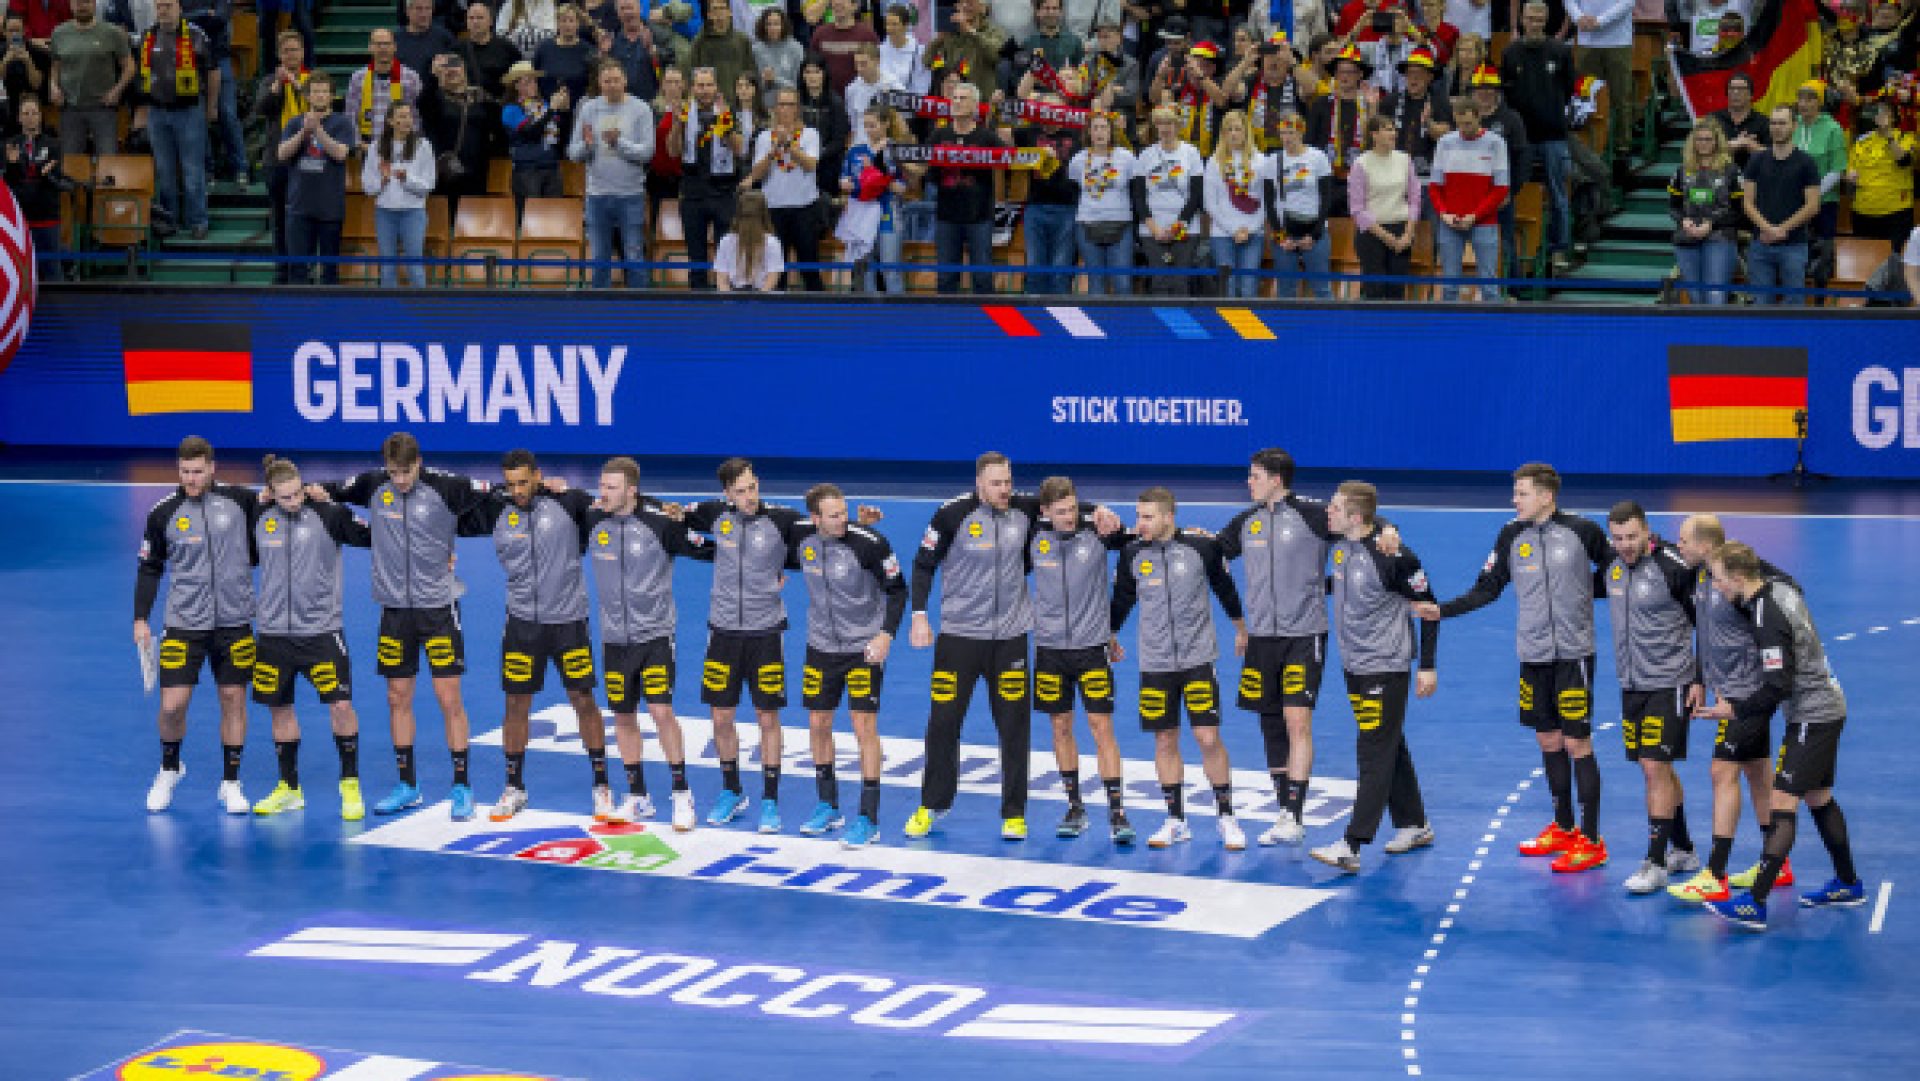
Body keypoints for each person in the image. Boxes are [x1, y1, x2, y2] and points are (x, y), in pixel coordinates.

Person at [903, 452, 1118, 841]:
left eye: (1008, 481)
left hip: (1011, 639)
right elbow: (923, 564)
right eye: (997, 483)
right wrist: (919, 614)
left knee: (1014, 727)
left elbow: (1062, 508)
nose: (1005, 490)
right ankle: (932, 804)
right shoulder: (951, 514)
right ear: (979, 483)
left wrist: (1099, 510)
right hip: (959, 638)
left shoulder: (1022, 508)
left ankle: (1014, 812)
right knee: (943, 722)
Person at [1413, 462, 1615, 874]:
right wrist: (1442, 611)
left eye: (1522, 493)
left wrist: (1582, 593)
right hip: (1532, 653)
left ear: (1546, 496)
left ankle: (1591, 841)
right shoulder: (1510, 535)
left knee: (1577, 743)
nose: (1514, 500)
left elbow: (1617, 569)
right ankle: (1563, 828)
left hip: (1573, 653)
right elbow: (1487, 588)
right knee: (1548, 740)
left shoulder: (1582, 531)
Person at [307, 433, 492, 822]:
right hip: (394, 612)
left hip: (438, 609)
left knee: (448, 699)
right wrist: (302, 492)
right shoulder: (374, 485)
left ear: (419, 463)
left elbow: (498, 494)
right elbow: (326, 490)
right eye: (394, 473)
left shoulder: (446, 487)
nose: (401, 480)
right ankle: (408, 785)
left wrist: (547, 488)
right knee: (396, 697)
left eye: (406, 472)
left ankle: (462, 786)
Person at [1700, 542, 1866, 931]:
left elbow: (1777, 686)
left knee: (1782, 803)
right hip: (1826, 708)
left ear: (1740, 578)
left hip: (1812, 715)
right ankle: (1847, 883)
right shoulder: (1779, 586)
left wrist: (1735, 709)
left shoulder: (1766, 615)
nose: (1719, 589)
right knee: (1819, 798)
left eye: (1721, 581)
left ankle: (1754, 902)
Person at [467, 449, 612, 822]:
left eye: (523, 482)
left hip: (568, 621)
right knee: (516, 705)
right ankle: (514, 786)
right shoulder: (496, 508)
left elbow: (613, 507)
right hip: (521, 624)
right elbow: (443, 516)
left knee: (583, 699)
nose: (517, 490)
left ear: (537, 476)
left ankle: (602, 786)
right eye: (511, 484)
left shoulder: (568, 502)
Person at [1308, 481, 1438, 873]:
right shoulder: (1343, 545)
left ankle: (1353, 843)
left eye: (1334, 507)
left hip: (1387, 666)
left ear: (1355, 516)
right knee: (1389, 743)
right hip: (1355, 667)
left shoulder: (1395, 557)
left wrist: (1427, 665)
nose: (1327, 513)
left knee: (1373, 751)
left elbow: (1428, 607)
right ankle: (1414, 823)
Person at [678, 458, 814, 830]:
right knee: (721, 716)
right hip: (722, 632)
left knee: (767, 717)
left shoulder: (783, 519)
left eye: (753, 487)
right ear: (727, 494)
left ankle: (770, 800)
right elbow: (672, 516)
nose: (750, 496)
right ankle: (732, 790)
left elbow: (820, 535)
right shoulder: (713, 515)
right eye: (741, 491)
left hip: (766, 631)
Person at [1111, 487, 1248, 852]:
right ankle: (1176, 819)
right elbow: (1122, 598)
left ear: (1169, 516)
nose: (1140, 524)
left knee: (1207, 738)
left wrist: (1240, 628)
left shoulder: (1201, 548)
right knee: (1165, 739)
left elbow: (1225, 588)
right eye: (1138, 516)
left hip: (1198, 659)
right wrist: (1109, 634)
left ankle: (1226, 816)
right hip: (1155, 663)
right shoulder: (1131, 554)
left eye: (1148, 517)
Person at [136, 436, 261, 816]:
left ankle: (231, 782)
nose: (191, 479)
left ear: (212, 468)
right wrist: (140, 618)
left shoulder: (242, 502)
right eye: (185, 472)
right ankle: (170, 768)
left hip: (234, 621)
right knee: (173, 706)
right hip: (184, 623)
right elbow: (150, 566)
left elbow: (272, 531)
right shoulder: (163, 513)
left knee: (233, 700)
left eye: (198, 471)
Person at [1666, 514, 1787, 902]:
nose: (1678, 545)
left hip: (1746, 696)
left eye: (1684, 540)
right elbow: (1706, 636)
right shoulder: (1703, 577)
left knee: (1722, 772)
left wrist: (1742, 696)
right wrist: (1701, 679)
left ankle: (1715, 874)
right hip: (1727, 690)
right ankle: (1777, 862)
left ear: (1706, 545)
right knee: (1756, 772)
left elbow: (1776, 604)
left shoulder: (1738, 584)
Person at [587, 456, 711, 830]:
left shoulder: (661, 523)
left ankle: (681, 794)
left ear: (632, 491)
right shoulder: (593, 519)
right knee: (623, 716)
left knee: (660, 712)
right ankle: (638, 796)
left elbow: (709, 548)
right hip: (613, 639)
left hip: (655, 635)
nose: (602, 494)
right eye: (601, 486)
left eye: (610, 488)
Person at [247, 457, 373, 820]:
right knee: (280, 709)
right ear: (270, 493)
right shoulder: (258, 517)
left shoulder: (327, 515)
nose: (293, 502)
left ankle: (350, 784)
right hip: (273, 634)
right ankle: (289, 788)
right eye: (284, 497)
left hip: (321, 631)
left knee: (342, 707)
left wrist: (335, 503)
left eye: (297, 493)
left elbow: (377, 538)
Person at [791, 482, 907, 848]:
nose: (842, 520)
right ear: (815, 519)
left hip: (863, 648)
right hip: (821, 647)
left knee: (863, 726)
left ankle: (867, 818)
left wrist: (885, 635)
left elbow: (898, 589)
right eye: (833, 515)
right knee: (818, 722)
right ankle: (827, 804)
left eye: (844, 512)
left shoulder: (870, 544)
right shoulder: (801, 540)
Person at [1602, 501, 1704, 895]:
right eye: (1618, 538)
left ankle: (1656, 862)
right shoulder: (1612, 566)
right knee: (1656, 767)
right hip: (1631, 684)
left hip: (1670, 681)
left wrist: (1699, 678)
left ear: (1647, 531)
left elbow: (1707, 625)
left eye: (1632, 537)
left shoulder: (1674, 568)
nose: (1625, 545)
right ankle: (1684, 849)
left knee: (1653, 765)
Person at [1028, 475, 1135, 843]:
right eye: (1061, 512)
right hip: (1050, 649)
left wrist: (1100, 513)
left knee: (1101, 727)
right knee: (1060, 727)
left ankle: (1117, 812)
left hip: (1092, 648)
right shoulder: (1032, 534)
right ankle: (1075, 806)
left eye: (1074, 508)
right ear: (1045, 512)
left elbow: (1130, 539)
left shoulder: (1097, 528)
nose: (1070, 517)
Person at [1499, 2, 1574, 269]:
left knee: (1558, 193)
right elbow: (1505, 95)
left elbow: (1567, 91)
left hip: (1553, 134)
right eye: (1530, 18)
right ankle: (1517, 252)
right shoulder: (1510, 53)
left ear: (1546, 20)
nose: (1535, 23)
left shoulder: (1561, 51)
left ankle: (1559, 249)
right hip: (1522, 139)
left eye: (1540, 19)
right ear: (1521, 18)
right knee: (1516, 193)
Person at [570, 57, 656, 287]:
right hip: (597, 195)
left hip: (631, 194)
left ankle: (640, 309)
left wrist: (620, 143)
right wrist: (587, 146)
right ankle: (599, 309)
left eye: (616, 80)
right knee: (599, 256)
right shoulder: (588, 108)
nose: (612, 85)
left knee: (634, 254)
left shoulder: (641, 109)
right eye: (607, 81)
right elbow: (573, 152)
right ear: (599, 82)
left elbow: (647, 152)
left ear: (625, 81)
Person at [138, 0, 219, 240]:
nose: (163, 10)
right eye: (159, 6)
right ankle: (169, 220)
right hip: (156, 112)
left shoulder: (196, 35)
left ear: (179, 8)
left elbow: (213, 72)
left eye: (168, 5)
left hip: (189, 111)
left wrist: (212, 106)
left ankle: (198, 221)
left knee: (193, 170)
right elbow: (142, 77)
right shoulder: (147, 36)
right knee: (164, 171)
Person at [669, 65, 747, 288]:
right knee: (696, 255)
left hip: (723, 192)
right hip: (693, 192)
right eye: (700, 85)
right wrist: (676, 124)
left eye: (709, 85)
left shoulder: (729, 112)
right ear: (692, 88)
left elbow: (740, 148)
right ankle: (697, 301)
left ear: (716, 87)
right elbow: (673, 151)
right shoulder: (684, 113)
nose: (704, 90)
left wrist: (725, 123)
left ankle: (726, 300)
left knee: (726, 254)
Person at [277, 68, 355, 284]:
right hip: (299, 207)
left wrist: (318, 130)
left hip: (330, 208)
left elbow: (340, 154)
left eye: (324, 92)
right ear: (308, 96)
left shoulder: (343, 123)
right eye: (316, 91)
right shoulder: (294, 122)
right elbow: (282, 154)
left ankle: (328, 314)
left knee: (330, 271)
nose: (320, 95)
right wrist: (304, 131)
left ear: (331, 96)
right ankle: (298, 313)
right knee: (298, 269)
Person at [1427, 95, 1506, 301]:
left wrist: (1475, 215)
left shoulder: (1496, 143)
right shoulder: (1445, 143)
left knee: (1489, 284)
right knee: (1450, 284)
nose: (1464, 128)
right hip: (1450, 221)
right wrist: (1444, 213)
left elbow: (1501, 188)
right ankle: (1449, 330)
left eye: (1468, 123)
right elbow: (1435, 186)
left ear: (1479, 117)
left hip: (1484, 221)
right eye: (1460, 124)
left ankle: (1492, 331)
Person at [928, 81, 1003, 293]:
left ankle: (987, 323)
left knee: (982, 277)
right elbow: (929, 173)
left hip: (979, 216)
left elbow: (1010, 159)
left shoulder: (986, 137)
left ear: (975, 106)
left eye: (963, 98)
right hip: (946, 216)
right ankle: (946, 323)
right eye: (955, 98)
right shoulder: (938, 136)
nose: (957, 102)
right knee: (945, 278)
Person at [1741, 105, 1819, 305]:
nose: (1777, 127)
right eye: (1773, 123)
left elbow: (1813, 206)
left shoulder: (1806, 163)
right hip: (1760, 244)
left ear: (1794, 126)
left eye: (1782, 123)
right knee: (1760, 304)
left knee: (1794, 304)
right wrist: (1768, 229)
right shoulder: (1756, 160)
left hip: (1794, 245)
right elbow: (1748, 203)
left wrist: (1781, 229)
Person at [750, 85, 825, 289]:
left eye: (790, 105)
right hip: (773, 210)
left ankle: (819, 314)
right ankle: (776, 317)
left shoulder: (810, 134)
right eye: (782, 104)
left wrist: (789, 145)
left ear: (798, 108)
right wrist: (772, 152)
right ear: (775, 108)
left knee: (809, 268)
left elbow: (811, 164)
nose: (785, 109)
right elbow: (756, 174)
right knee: (776, 271)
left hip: (805, 209)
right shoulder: (765, 137)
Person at [1012, 89, 1083, 295]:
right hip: (1036, 207)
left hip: (1068, 207)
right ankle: (1034, 318)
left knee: (1061, 271)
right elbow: (1001, 137)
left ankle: (1061, 318)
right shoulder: (1029, 132)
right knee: (1035, 269)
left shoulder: (1076, 133)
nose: (1050, 112)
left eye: (1055, 108)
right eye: (1045, 108)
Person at [252, 30, 308, 284]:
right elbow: (261, 109)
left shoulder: (312, 80)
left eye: (294, 50)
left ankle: (301, 270)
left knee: (303, 219)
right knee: (280, 219)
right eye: (286, 51)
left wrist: (296, 85)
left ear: (303, 53)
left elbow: (321, 108)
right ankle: (281, 270)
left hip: (307, 160)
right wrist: (277, 86)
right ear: (279, 55)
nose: (290, 55)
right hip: (277, 161)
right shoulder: (268, 81)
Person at [361, 100, 436, 287]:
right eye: (402, 116)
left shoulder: (423, 146)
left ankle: (420, 309)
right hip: (385, 212)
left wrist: (406, 179)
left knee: (415, 265)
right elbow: (368, 186)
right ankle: (389, 311)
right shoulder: (376, 147)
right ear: (390, 121)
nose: (407, 120)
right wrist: (383, 181)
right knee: (387, 266)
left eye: (409, 116)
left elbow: (429, 185)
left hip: (413, 212)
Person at [1133, 104, 1205, 294]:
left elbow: (1197, 195)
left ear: (1178, 125)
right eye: (1161, 123)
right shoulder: (1145, 155)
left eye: (1170, 123)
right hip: (1152, 229)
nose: (1165, 128)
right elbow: (1138, 197)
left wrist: (1178, 226)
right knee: (1159, 282)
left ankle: (1183, 324)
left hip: (1185, 229)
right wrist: (1154, 228)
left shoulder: (1191, 153)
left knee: (1181, 283)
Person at [1667, 119, 1741, 304]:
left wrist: (1711, 223)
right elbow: (1674, 206)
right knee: (1696, 298)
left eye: (1708, 139)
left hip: (1720, 238)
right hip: (1687, 239)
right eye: (1699, 139)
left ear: (1717, 142)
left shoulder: (1731, 171)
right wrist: (1683, 221)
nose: (1703, 143)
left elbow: (1739, 210)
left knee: (1715, 297)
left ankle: (1717, 332)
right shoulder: (1682, 172)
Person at [838, 103, 909, 292]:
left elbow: (902, 187)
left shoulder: (896, 150)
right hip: (861, 212)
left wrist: (881, 180)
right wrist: (849, 184)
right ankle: (868, 314)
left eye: (873, 125)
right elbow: (844, 180)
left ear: (886, 124)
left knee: (889, 268)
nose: (869, 130)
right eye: (866, 125)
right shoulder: (855, 151)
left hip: (888, 211)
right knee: (866, 267)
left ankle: (897, 313)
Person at [48, 0, 132, 155]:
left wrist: (117, 90)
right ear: (71, 5)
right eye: (78, 2)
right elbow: (55, 66)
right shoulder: (59, 33)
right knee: (71, 164)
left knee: (108, 162)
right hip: (70, 109)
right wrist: (53, 86)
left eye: (86, 2)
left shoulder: (112, 32)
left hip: (103, 108)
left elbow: (129, 66)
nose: (82, 6)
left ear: (94, 4)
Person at [1266, 109, 1334, 298]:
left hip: (1314, 229)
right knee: (1286, 289)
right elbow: (1269, 203)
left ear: (1301, 132)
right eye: (1283, 133)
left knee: (1321, 288)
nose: (1287, 138)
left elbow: (1326, 198)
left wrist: (1315, 234)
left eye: (1291, 133)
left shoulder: (1317, 157)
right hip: (1285, 230)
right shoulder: (1273, 161)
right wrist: (1280, 236)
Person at [1349, 113, 1419, 299]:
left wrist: (1408, 234)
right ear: (1374, 134)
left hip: (1401, 231)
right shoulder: (1361, 163)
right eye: (1388, 129)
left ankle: (1396, 328)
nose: (1394, 133)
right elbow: (1357, 209)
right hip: (1372, 234)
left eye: (1394, 129)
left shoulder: (1405, 159)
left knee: (1397, 292)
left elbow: (1414, 199)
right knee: (1375, 291)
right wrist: (1387, 237)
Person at [1469, 64, 1528, 278]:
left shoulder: (1511, 119)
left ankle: (1513, 287)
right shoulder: (1465, 121)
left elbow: (1522, 159)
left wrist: (1511, 192)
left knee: (1505, 240)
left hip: (1500, 194)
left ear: (1497, 92)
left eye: (1489, 88)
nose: (1484, 92)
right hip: (1469, 194)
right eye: (1480, 88)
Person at [1204, 109, 1271, 297]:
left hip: (1253, 232)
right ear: (1223, 133)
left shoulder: (1260, 161)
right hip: (1222, 233)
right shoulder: (1214, 162)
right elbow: (1211, 203)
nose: (1233, 133)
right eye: (1229, 129)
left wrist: (1249, 229)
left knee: (1249, 287)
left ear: (1246, 132)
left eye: (1238, 129)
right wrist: (1234, 230)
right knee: (1228, 288)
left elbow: (1266, 201)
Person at [1068, 108, 1135, 294]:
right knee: (1096, 283)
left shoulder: (1126, 157)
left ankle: (1125, 323)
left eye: (1104, 128)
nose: (1099, 132)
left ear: (1111, 131)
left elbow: (1135, 189)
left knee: (1122, 282)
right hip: (1087, 223)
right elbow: (1074, 189)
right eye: (1095, 128)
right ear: (1089, 132)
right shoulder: (1078, 160)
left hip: (1120, 224)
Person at [1305, 43, 1372, 218]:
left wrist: (1374, 110)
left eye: (1350, 72)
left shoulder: (1369, 105)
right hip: (1327, 179)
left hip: (1360, 181)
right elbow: (1309, 143)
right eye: (1341, 71)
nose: (1345, 76)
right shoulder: (1321, 104)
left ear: (1360, 75)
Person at [422, 52, 493, 215]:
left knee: (472, 225)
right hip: (444, 172)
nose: (451, 70)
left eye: (455, 65)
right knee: (443, 221)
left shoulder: (480, 96)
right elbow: (424, 103)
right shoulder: (435, 97)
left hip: (476, 172)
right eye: (446, 67)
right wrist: (434, 76)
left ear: (464, 69)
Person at [1565, 0, 1632, 173]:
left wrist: (1600, 20)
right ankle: (1587, 147)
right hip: (1587, 41)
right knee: (1584, 98)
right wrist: (1578, 17)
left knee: (1620, 97)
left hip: (1618, 41)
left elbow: (1628, 2)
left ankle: (1622, 149)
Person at [1791, 79, 1847, 283]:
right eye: (1800, 99)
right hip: (1792, 204)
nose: (1803, 104)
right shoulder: (1792, 124)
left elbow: (1837, 169)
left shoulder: (1833, 128)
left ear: (1820, 102)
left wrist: (1811, 195)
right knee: (1795, 258)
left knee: (1820, 263)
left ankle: (1821, 305)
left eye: (1810, 99)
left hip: (1823, 205)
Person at [3, 95, 67, 272]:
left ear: (40, 116)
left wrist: (42, 173)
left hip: (47, 216)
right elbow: (9, 183)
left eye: (34, 113)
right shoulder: (10, 145)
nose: (30, 117)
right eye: (26, 113)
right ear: (19, 117)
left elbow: (53, 176)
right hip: (21, 219)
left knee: (52, 271)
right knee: (20, 270)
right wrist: (14, 165)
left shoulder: (54, 145)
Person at [502, 59, 569, 216]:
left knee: (553, 217)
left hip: (551, 166)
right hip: (527, 170)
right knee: (531, 217)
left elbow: (560, 133)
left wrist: (564, 110)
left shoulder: (542, 105)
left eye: (534, 81)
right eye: (527, 81)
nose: (533, 85)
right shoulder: (511, 109)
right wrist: (552, 110)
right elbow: (531, 132)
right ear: (516, 86)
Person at [1845, 97, 1913, 249]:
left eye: (1885, 111)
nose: (1880, 114)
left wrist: (1889, 135)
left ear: (1894, 117)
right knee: (1864, 263)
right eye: (1877, 110)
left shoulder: (1905, 137)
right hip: (1863, 212)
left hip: (1895, 212)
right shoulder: (1862, 141)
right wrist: (1849, 177)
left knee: (1894, 264)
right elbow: (1850, 172)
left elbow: (1903, 160)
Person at [348, 28, 422, 146]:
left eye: (387, 44)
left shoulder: (411, 77)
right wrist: (359, 144)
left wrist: (409, 145)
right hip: (367, 147)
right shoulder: (357, 78)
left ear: (395, 47)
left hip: (402, 146)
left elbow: (416, 116)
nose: (383, 48)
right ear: (370, 47)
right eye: (378, 44)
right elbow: (350, 116)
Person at [793, 56, 847, 197]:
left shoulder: (835, 102)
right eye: (808, 72)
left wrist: (816, 154)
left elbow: (839, 140)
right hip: (799, 163)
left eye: (816, 72)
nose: (812, 76)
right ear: (802, 75)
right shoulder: (796, 101)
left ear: (824, 74)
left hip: (828, 165)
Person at [714, 181, 785, 287]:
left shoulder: (771, 242)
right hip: (735, 297)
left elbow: (772, 278)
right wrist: (730, 301)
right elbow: (721, 279)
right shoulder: (727, 241)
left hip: (761, 298)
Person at [682, 0, 754, 94]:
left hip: (738, 101)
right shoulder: (700, 41)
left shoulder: (742, 40)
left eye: (722, 8)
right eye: (715, 9)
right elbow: (690, 71)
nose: (719, 12)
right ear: (709, 15)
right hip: (710, 102)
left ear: (730, 12)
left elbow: (751, 73)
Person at [813, 0, 877, 93]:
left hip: (859, 96)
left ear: (854, 6)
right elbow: (812, 64)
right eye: (835, 1)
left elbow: (877, 66)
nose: (838, 3)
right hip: (828, 98)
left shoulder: (867, 34)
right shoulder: (820, 33)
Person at [460, 4, 525, 95]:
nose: (475, 22)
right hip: (469, 105)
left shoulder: (507, 48)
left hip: (500, 105)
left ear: (490, 21)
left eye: (480, 18)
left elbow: (520, 79)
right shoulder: (457, 50)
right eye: (471, 18)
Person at [604, 0, 663, 101]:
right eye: (623, 9)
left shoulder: (657, 35)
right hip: (620, 103)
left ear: (640, 9)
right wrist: (603, 55)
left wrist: (654, 56)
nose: (627, 12)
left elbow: (662, 75)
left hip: (651, 102)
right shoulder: (611, 41)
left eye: (630, 8)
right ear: (617, 13)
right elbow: (603, 75)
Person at [1708, 70, 1766, 170]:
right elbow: (1703, 150)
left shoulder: (1763, 122)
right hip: (1719, 177)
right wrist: (1734, 144)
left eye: (1741, 89)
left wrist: (1750, 145)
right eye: (1732, 88)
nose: (1736, 92)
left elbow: (1775, 157)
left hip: (1754, 178)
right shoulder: (1713, 119)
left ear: (1751, 95)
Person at [396, 0, 457, 79]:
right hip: (401, 89)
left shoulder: (444, 37)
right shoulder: (396, 39)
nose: (424, 14)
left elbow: (457, 65)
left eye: (428, 8)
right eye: (419, 9)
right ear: (408, 11)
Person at [752, 4, 803, 99]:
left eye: (776, 24)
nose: (772, 28)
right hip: (764, 106)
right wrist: (765, 81)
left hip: (789, 104)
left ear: (783, 25)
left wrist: (775, 79)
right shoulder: (756, 49)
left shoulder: (796, 48)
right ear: (763, 26)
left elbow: (799, 86)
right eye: (768, 24)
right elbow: (753, 87)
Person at [878, 3, 928, 93]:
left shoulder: (920, 52)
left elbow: (922, 87)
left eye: (894, 24)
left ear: (906, 25)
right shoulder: (879, 51)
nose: (889, 28)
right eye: (887, 24)